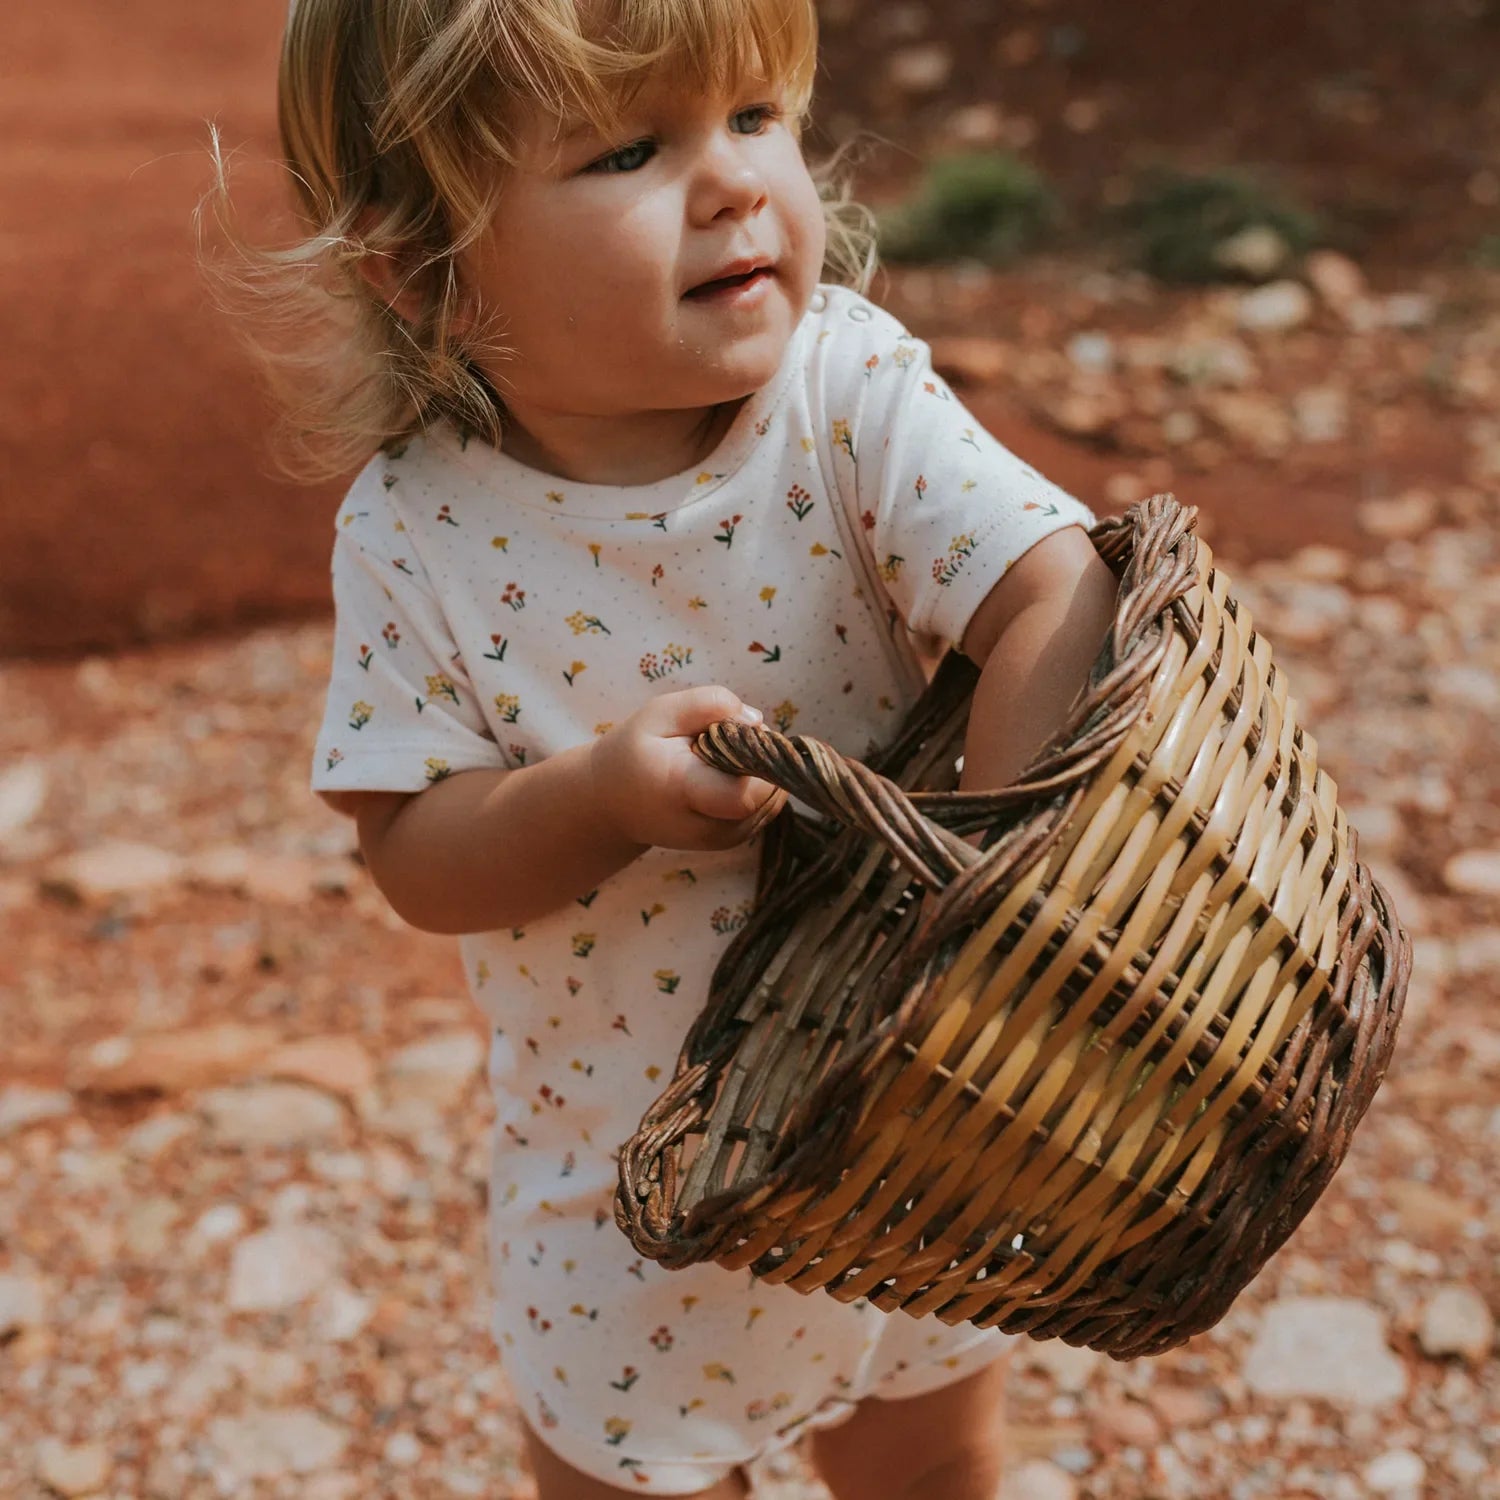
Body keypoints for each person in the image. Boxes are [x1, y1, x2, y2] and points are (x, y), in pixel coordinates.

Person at [235, 1, 1120, 1494]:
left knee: (936, 1462)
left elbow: (1062, 583)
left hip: (912, 1121)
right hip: (631, 1196)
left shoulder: (845, 393)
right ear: (423, 274)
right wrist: (601, 796)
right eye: (633, 146)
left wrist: (996, 914)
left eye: (757, 115)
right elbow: (413, 854)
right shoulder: (418, 532)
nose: (733, 184)